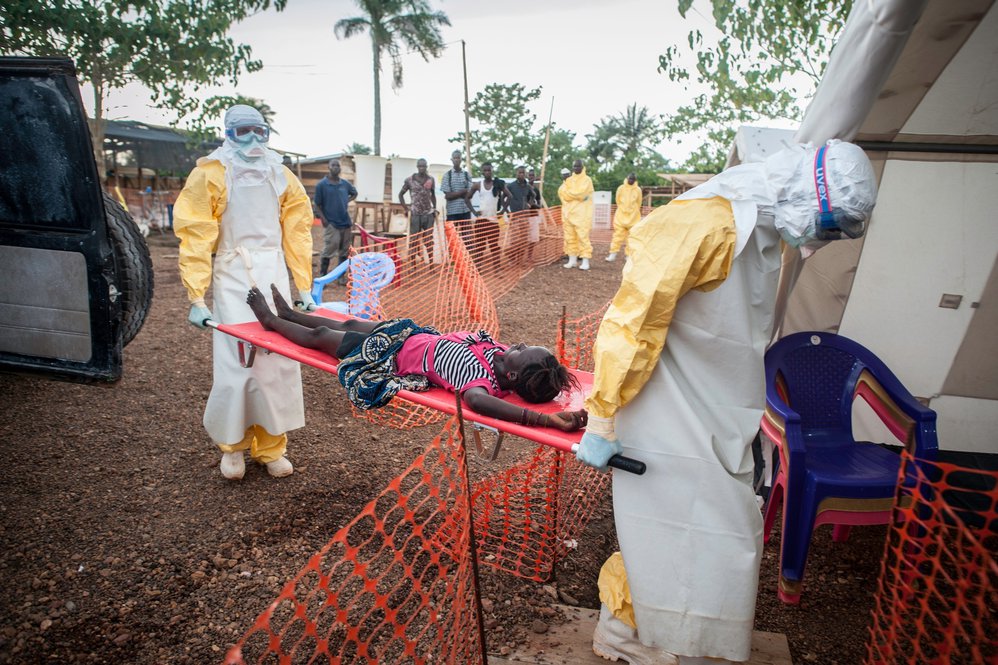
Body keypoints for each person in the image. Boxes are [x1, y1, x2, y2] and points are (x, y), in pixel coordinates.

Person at [575, 140, 878, 664]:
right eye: (828, 226)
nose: (822, 239)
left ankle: (664, 637)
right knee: (667, 532)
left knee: (710, 535)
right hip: (664, 409)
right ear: (807, 194)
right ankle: (633, 636)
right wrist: (602, 413)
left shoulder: (762, 225)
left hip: (718, 412)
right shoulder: (704, 223)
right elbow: (635, 321)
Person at [173, 104, 316, 481]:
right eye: (243, 132)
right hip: (233, 273)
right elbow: (195, 234)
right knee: (237, 363)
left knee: (275, 362)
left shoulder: (282, 175)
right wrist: (196, 297)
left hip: (272, 273)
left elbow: (297, 231)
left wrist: (302, 286)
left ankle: (271, 448)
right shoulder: (210, 175)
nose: (253, 140)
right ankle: (232, 446)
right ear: (228, 134)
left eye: (260, 131)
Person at [246, 284, 589, 431]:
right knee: (348, 321)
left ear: (513, 377)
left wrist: (544, 420)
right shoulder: (499, 353)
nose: (517, 344)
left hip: (388, 356)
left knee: (322, 338)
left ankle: (271, 321)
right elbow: (543, 370)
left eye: (520, 351)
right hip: (409, 335)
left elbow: (478, 403)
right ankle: (290, 314)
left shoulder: (479, 379)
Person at [314, 158, 358, 281]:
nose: (336, 168)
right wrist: (324, 219)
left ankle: (341, 277)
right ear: (329, 167)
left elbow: (354, 193)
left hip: (345, 221)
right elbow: (317, 204)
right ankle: (323, 276)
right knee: (330, 247)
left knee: (344, 250)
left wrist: (345, 201)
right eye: (333, 165)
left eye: (338, 166)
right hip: (331, 222)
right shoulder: (322, 185)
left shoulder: (344, 184)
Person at [467, 162, 510, 259]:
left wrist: (503, 211)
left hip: (494, 222)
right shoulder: (478, 185)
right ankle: (478, 271)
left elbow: (509, 196)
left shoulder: (498, 184)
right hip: (481, 221)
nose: (487, 172)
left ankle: (497, 270)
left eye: (489, 170)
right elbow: (467, 198)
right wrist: (474, 212)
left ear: (492, 171)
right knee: (479, 248)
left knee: (494, 247)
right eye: (485, 170)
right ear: (482, 172)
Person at [398, 158, 437, 263]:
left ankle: (431, 264)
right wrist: (406, 209)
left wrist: (435, 208)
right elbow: (400, 195)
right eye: (420, 166)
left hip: (428, 214)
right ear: (417, 166)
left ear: (426, 167)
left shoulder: (431, 180)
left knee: (428, 240)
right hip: (415, 214)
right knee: (414, 240)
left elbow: (433, 195)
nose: (422, 168)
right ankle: (413, 265)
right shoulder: (410, 180)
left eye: (423, 166)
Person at [558, 159, 594, 271]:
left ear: (582, 167)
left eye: (578, 166)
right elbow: (563, 193)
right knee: (570, 237)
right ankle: (572, 260)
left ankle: (585, 261)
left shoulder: (587, 180)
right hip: (568, 214)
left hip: (582, 214)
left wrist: (573, 195)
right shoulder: (569, 180)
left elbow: (582, 194)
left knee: (583, 237)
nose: (576, 168)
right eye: (574, 166)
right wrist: (576, 196)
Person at [506, 166, 539, 266]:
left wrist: (529, 204)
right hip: (515, 216)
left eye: (523, 173)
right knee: (514, 240)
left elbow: (533, 195)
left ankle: (519, 260)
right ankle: (512, 259)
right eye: (519, 173)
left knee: (523, 240)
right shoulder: (511, 186)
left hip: (525, 217)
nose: (521, 174)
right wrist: (506, 210)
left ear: (525, 174)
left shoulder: (528, 186)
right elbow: (503, 196)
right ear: (516, 173)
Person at [441, 149, 474, 246]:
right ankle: (453, 260)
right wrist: (462, 192)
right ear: (451, 159)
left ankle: (467, 260)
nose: (456, 160)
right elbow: (448, 196)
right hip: (452, 213)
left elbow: (469, 194)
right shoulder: (447, 175)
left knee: (467, 240)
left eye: (458, 158)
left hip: (465, 211)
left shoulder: (467, 175)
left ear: (461, 159)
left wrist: (456, 193)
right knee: (452, 239)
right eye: (454, 158)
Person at [607, 173, 641, 262]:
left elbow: (639, 202)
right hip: (621, 217)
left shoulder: (638, 190)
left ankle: (628, 255)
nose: (631, 181)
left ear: (635, 180)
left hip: (633, 218)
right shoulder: (621, 188)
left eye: (633, 179)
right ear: (627, 178)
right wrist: (623, 209)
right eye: (630, 179)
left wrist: (633, 211)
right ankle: (612, 254)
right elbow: (617, 200)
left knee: (631, 237)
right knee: (617, 236)